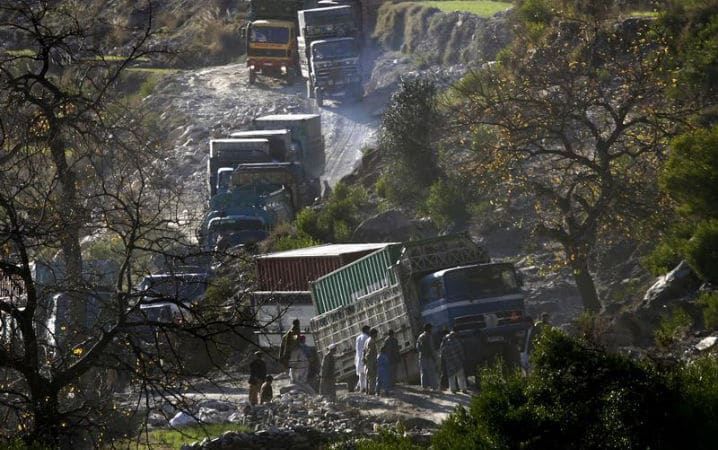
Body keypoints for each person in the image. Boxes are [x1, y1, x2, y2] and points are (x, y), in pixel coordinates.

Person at [439, 328, 468, 393]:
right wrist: (462, 358)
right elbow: (460, 349)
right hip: (457, 360)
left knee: (451, 376)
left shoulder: (443, 342)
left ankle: (453, 389)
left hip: (449, 362)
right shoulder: (455, 339)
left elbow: (442, 353)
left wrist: (445, 361)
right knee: (461, 375)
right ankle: (463, 389)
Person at [416, 323, 439, 390]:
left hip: (421, 357)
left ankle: (424, 387)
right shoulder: (429, 336)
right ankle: (434, 387)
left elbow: (417, 347)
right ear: (428, 329)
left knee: (423, 373)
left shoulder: (420, 336)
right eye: (431, 328)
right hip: (429, 357)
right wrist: (435, 358)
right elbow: (432, 348)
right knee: (432, 372)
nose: (431, 329)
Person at [355, 325, 371, 392]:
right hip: (365, 357)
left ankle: (362, 388)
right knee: (367, 374)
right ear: (366, 330)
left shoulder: (358, 337)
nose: (369, 331)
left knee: (361, 375)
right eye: (368, 330)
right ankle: (367, 388)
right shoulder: (367, 337)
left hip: (359, 357)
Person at [363, 328, 379, 395]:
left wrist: (364, 359)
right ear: (373, 334)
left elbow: (364, 351)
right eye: (376, 334)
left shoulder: (367, 340)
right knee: (372, 376)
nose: (377, 335)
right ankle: (371, 391)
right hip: (371, 361)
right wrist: (368, 359)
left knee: (368, 376)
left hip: (368, 361)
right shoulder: (372, 341)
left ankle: (368, 391)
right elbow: (369, 352)